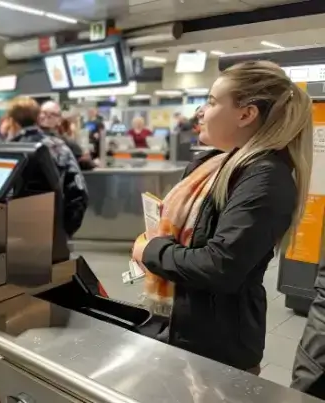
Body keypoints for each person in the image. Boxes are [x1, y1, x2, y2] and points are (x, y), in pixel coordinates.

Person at [131, 61, 312, 375]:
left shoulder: (265, 179)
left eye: (213, 102)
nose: (201, 112)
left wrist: (150, 251)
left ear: (246, 114)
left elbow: (220, 266)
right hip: (182, 323)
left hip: (218, 346)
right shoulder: (214, 164)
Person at [4, 97, 88, 237]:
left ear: (11, 121)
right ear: (37, 117)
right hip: (50, 228)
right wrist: (65, 231)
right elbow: (79, 192)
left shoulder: (6, 150)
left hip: (12, 230)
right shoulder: (57, 146)